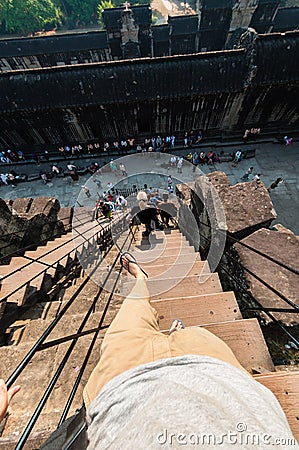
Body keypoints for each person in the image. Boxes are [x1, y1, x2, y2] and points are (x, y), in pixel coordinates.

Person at [84, 254, 297, 449]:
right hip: (216, 375)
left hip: (124, 385)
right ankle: (180, 337)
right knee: (196, 335)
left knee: (134, 307)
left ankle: (141, 278)